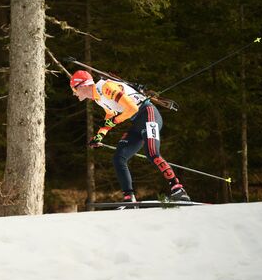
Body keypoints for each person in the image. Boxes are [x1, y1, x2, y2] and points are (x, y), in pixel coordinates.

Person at [70, 70, 190, 202]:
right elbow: (110, 115)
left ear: (82, 85)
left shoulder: (105, 87)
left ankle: (178, 189)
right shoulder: (97, 97)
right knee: (119, 158)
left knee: (152, 153)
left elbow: (132, 108)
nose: (74, 93)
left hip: (148, 114)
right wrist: (100, 135)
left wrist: (115, 121)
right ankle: (129, 198)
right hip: (137, 122)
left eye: (74, 89)